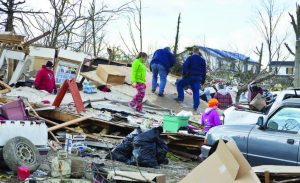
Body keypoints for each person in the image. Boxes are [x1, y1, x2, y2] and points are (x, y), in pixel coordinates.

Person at [174, 47, 206, 111]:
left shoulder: (190, 58)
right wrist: (203, 80)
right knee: (196, 92)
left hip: (189, 77)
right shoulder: (202, 60)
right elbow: (204, 71)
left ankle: (180, 98)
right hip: (198, 78)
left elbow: (185, 66)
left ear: (193, 51)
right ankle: (195, 107)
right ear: (198, 52)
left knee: (179, 84)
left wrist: (185, 74)